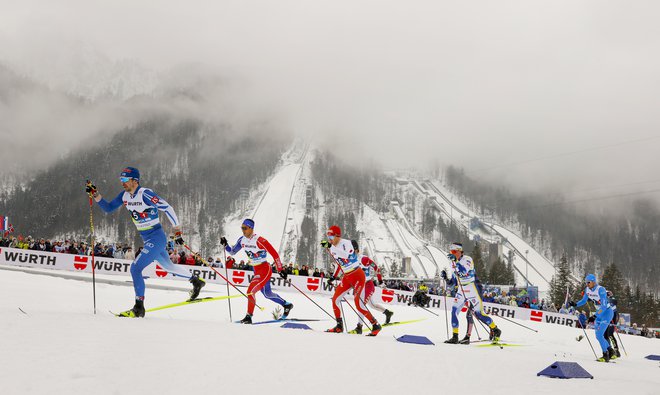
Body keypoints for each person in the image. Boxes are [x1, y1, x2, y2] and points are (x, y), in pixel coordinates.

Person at [86, 167, 205, 317]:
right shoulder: (124, 196)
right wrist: (95, 194)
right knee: (168, 267)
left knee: (135, 269)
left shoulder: (145, 194)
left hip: (156, 237)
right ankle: (196, 281)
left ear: (135, 181)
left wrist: (177, 231)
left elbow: (168, 208)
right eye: (120, 180)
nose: (122, 183)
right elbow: (108, 208)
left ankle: (139, 307)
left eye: (125, 180)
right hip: (147, 238)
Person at [221, 218, 293, 324]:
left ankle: (248, 316)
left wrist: (280, 269)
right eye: (242, 228)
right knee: (267, 293)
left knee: (250, 291)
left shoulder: (260, 240)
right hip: (256, 269)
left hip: (264, 269)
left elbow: (275, 254)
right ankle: (286, 305)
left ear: (251, 228)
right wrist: (226, 245)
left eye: (245, 228)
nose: (243, 230)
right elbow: (232, 252)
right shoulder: (242, 240)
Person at [321, 225, 381, 336]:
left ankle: (375, 324)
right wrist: (333, 277)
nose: (329, 239)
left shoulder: (346, 243)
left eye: (331, 236)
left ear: (338, 236)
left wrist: (330, 247)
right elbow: (339, 263)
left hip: (358, 275)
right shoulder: (332, 246)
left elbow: (347, 257)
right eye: (328, 236)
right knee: (335, 300)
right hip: (347, 277)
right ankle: (339, 326)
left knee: (358, 305)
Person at [442, 242, 501, 344]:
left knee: (479, 314)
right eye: (451, 252)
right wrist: (446, 279)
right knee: (454, 311)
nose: (452, 253)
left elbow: (464, 271)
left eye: (454, 251)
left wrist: (455, 261)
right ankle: (455, 336)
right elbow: (454, 281)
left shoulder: (467, 259)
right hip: (461, 290)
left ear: (460, 251)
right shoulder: (452, 263)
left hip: (472, 288)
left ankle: (495, 329)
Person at [570, 274, 616, 362]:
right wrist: (575, 304)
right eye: (586, 282)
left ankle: (605, 355)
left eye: (589, 282)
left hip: (606, 313)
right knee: (598, 336)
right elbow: (583, 301)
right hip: (599, 314)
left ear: (593, 281)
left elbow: (603, 306)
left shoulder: (600, 290)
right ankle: (610, 350)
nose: (587, 284)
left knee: (599, 335)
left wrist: (595, 316)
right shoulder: (587, 290)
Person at [350, 248, 393, 334]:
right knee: (372, 305)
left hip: (368, 285)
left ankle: (359, 327)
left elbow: (376, 268)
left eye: (353, 251)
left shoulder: (364, 259)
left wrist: (380, 281)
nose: (351, 253)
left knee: (361, 306)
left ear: (357, 251)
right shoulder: (350, 260)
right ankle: (387, 313)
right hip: (360, 286)